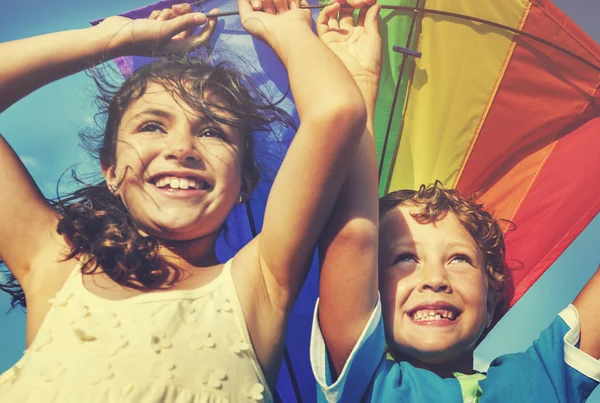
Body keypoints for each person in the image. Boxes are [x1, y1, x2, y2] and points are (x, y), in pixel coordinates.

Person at [0, 1, 367, 401]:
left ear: (245, 181)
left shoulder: (259, 282)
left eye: (213, 132)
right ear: (110, 170)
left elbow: (337, 111)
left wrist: (289, 30)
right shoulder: (52, 264)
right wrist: (115, 39)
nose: (181, 148)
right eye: (152, 125)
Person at [311, 1, 600, 402]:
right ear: (369, 290)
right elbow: (351, 237)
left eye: (460, 259)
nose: (435, 279)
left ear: (492, 292)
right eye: (404, 258)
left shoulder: (538, 381)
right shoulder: (366, 386)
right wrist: (358, 86)